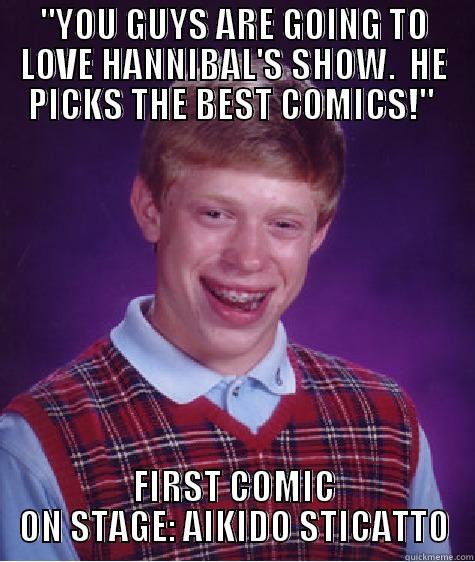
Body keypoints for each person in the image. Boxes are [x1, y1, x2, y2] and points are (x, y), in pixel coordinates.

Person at [0, 64, 449, 560]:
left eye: (283, 224)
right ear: (150, 210)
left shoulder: (387, 425)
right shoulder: (39, 447)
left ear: (318, 233)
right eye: (215, 214)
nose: (248, 258)